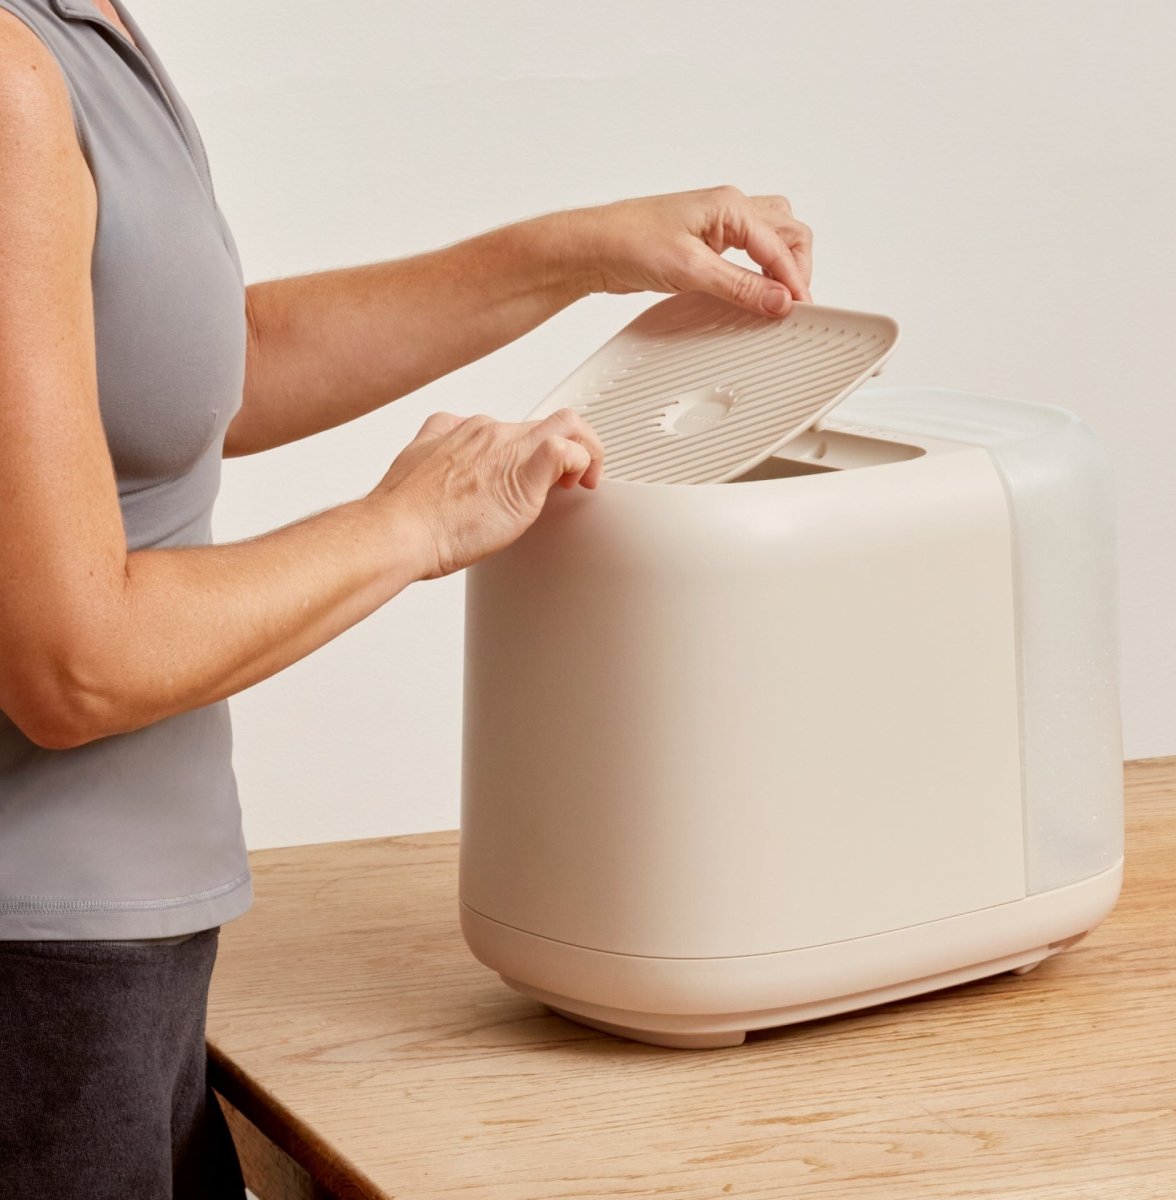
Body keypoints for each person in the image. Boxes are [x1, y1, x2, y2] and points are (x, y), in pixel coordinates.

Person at [0, 0, 814, 1194]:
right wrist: (412, 521)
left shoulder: (78, 27)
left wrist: (580, 252)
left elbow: (188, 366)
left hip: (119, 945)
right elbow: (79, 664)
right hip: (36, 973)